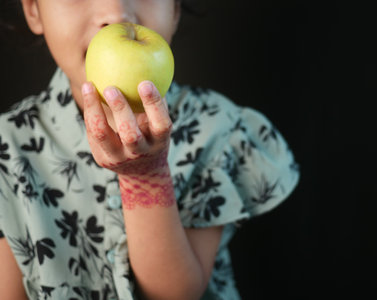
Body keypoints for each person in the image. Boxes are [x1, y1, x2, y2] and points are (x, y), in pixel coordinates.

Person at [0, 0, 299, 299]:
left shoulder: (213, 126)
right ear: (33, 11)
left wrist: (146, 175)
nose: (116, 14)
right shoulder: (7, 147)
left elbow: (176, 294)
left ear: (175, 10)